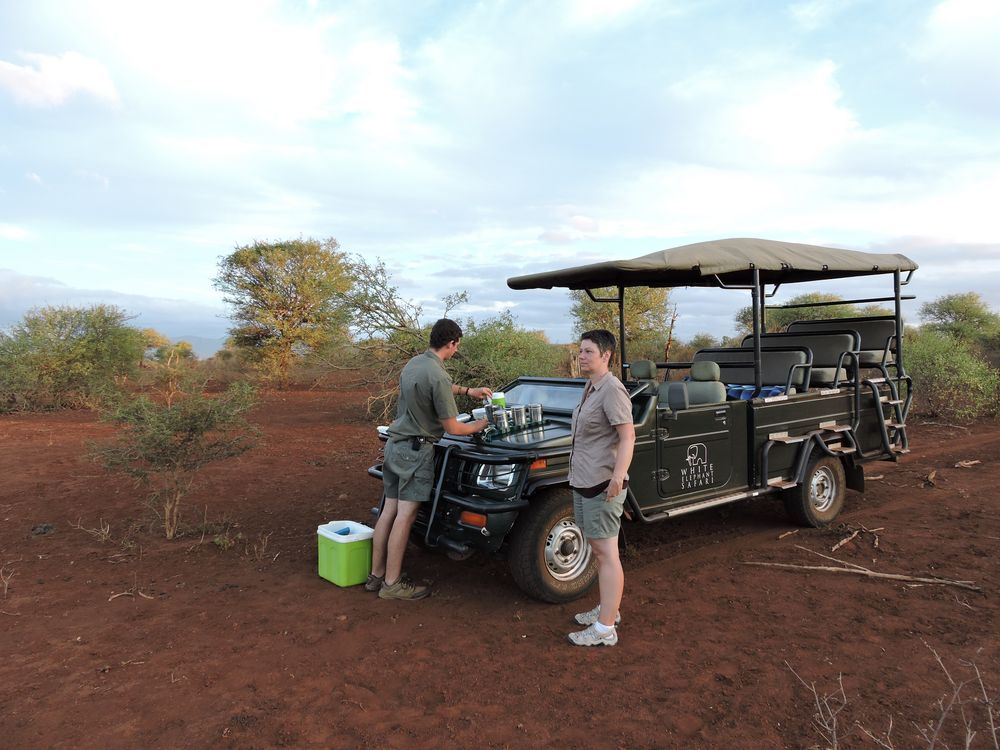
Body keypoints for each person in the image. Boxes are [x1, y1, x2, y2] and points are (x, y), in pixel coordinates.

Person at [366, 318, 492, 600]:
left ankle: (375, 576)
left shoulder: (414, 364)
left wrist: (469, 391)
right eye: (456, 346)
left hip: (396, 445)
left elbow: (441, 386)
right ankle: (393, 584)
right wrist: (482, 424)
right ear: (452, 343)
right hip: (416, 451)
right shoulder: (438, 375)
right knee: (405, 515)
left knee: (389, 510)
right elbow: (453, 428)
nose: (456, 350)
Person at [566, 329, 636, 646]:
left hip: (602, 483)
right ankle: (609, 608)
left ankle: (606, 627)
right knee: (598, 549)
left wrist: (618, 476)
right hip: (583, 478)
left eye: (588, 351)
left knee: (607, 553)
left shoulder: (612, 390)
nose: (582, 356)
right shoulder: (591, 387)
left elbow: (627, 436)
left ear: (606, 355)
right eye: (580, 351)